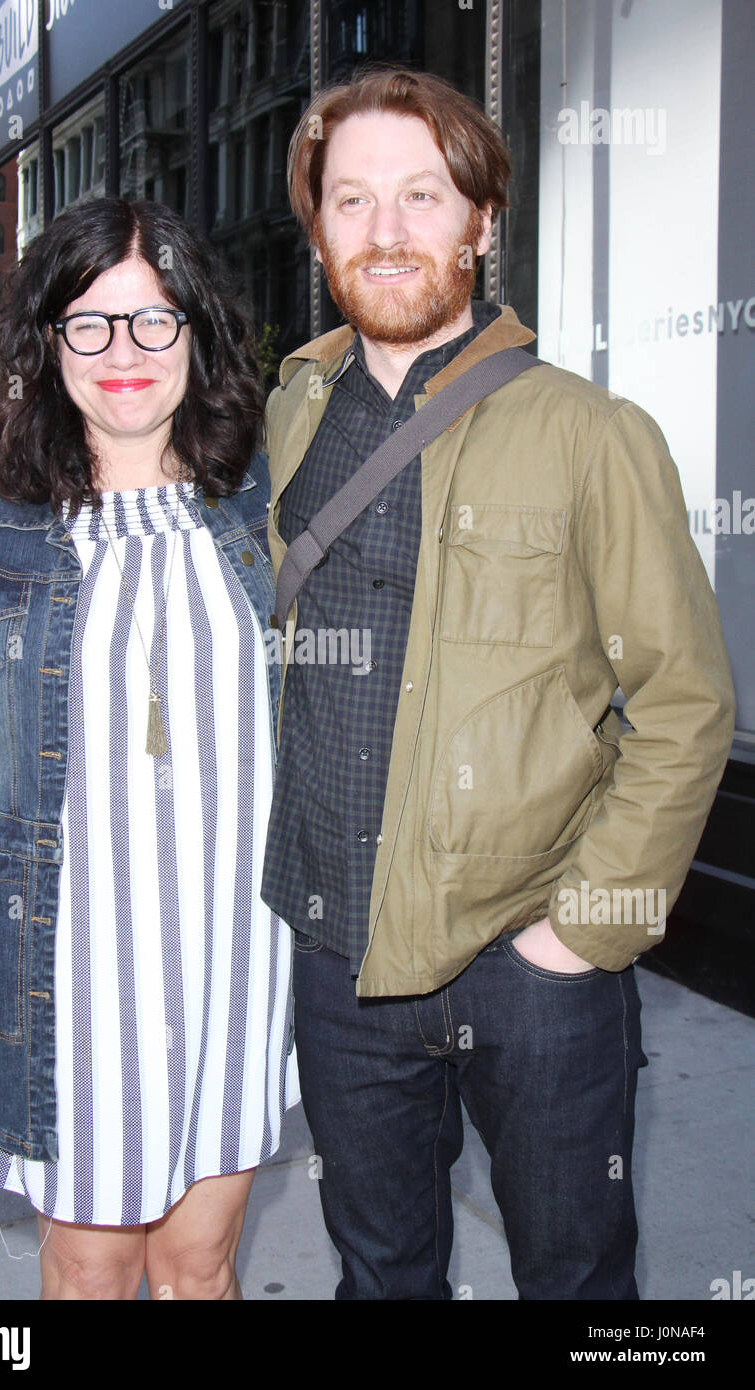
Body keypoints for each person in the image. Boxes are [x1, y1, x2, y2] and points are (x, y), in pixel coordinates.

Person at [259, 67, 735, 1300]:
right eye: (353, 199)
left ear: (482, 220)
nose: (388, 229)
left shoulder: (590, 432)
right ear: (318, 232)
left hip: (531, 965)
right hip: (341, 953)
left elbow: (682, 704)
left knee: (581, 1288)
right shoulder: (294, 412)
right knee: (380, 1277)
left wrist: (582, 936)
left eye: (423, 194)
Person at [0, 197, 299, 1300]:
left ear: (197, 336)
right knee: (90, 1266)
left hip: (236, 956)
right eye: (90, 324)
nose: (124, 353)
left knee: (199, 1262)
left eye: (154, 321)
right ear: (46, 345)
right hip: (68, 973)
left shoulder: (264, 501)